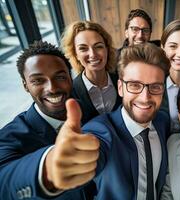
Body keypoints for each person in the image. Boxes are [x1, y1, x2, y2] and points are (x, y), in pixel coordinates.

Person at [44, 43, 171, 200]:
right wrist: (60, 167)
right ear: (120, 88)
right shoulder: (100, 132)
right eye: (134, 85)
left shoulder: (162, 122)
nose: (145, 97)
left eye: (155, 87)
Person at [0, 41, 93, 199]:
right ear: (25, 85)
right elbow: (4, 182)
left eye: (60, 77)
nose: (52, 88)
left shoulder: (84, 109)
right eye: (38, 80)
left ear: (70, 78)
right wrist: (46, 169)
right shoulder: (9, 136)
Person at [61, 21, 121, 124]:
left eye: (98, 46)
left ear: (107, 49)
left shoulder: (122, 79)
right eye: (83, 49)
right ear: (75, 55)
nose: (92, 54)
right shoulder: (71, 92)